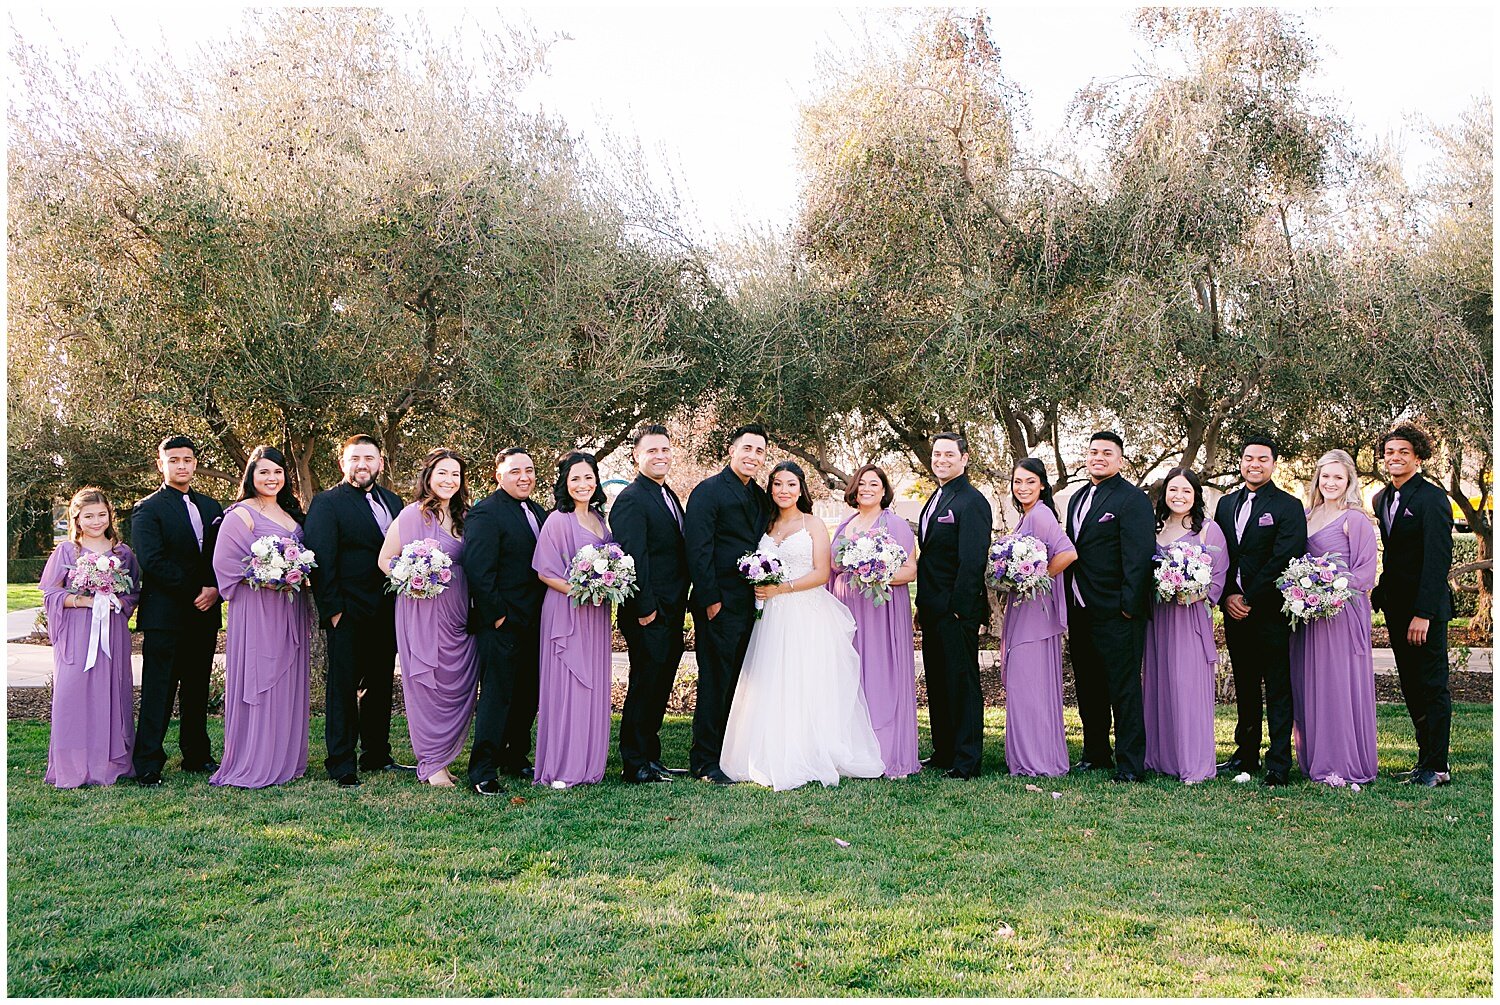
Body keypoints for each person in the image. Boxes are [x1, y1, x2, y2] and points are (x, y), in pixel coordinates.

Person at [722, 461, 885, 789]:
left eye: (791, 484)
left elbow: (821, 573)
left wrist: (780, 588)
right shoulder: (764, 525)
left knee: (804, 681)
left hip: (805, 612)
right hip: (771, 614)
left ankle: (809, 751)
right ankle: (772, 751)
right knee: (772, 680)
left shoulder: (813, 524)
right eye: (778, 484)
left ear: (801, 489)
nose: (784, 490)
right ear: (770, 488)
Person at [304, 434, 410, 789]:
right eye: (355, 458)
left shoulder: (393, 501)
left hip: (387, 610)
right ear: (342, 463)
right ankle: (341, 761)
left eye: (369, 458)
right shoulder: (327, 503)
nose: (362, 465)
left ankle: (376, 754)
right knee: (343, 688)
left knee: (379, 686)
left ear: (380, 462)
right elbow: (321, 560)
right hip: (347, 611)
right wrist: (333, 611)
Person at [210, 446, 313, 789]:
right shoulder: (241, 514)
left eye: (277, 472)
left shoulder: (291, 514)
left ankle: (284, 758)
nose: (271, 478)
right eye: (264, 472)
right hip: (256, 608)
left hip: (290, 606)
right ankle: (254, 759)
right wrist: (268, 576)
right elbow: (225, 564)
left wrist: (295, 572)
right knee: (260, 674)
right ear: (251, 476)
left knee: (287, 676)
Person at [377, 448, 479, 788]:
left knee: (457, 683)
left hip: (458, 610)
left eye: (455, 474)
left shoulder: (467, 516)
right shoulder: (412, 515)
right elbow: (385, 559)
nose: (449, 480)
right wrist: (413, 576)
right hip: (422, 609)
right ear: (429, 477)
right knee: (428, 684)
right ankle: (432, 763)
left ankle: (444, 759)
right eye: (442, 473)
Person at [1212, 437, 1308, 787]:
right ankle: (1246, 753)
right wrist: (1227, 596)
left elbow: (1285, 556)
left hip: (1270, 611)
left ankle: (1279, 762)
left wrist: (1249, 596)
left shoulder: (1288, 506)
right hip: (1234, 611)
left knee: (1278, 687)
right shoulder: (1226, 504)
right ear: (1241, 462)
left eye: (1262, 459)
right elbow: (1219, 554)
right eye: (1249, 458)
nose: (1255, 464)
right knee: (1245, 684)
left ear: (1273, 464)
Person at [1062, 431, 1155, 783]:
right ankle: (1096, 753)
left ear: (1120, 459)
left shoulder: (1132, 499)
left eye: (1106, 452)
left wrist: (1128, 607)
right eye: (1093, 452)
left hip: (1117, 612)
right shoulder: (1077, 498)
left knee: (1123, 689)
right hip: (1080, 608)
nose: (1098, 457)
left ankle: (1130, 765)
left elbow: (1139, 556)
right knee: (1089, 685)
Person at [131, 435, 224, 786]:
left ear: (195, 463)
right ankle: (148, 762)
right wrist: (195, 591)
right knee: (159, 690)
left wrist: (216, 590)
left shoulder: (212, 507)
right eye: (174, 460)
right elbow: (152, 560)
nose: (181, 465)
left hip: (205, 613)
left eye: (187, 459)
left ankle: (196, 755)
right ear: (162, 464)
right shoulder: (147, 508)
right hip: (165, 615)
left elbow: (222, 555)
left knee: (197, 689)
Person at [683, 424, 771, 784]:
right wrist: (710, 600)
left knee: (738, 682)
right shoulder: (708, 492)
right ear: (731, 451)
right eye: (747, 448)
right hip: (718, 603)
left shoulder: (760, 496)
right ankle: (704, 761)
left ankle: (729, 753)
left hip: (750, 603)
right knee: (715, 682)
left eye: (760, 451)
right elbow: (697, 549)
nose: (753, 456)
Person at [1371, 424, 1455, 787]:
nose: (1395, 457)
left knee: (1432, 686)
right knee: (1411, 685)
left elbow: (1437, 559)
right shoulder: (1381, 499)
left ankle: (1438, 766)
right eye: (1390, 452)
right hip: (1396, 609)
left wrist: (1424, 613)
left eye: (1403, 452)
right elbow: (1396, 556)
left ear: (1418, 457)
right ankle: (1424, 761)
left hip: (1426, 612)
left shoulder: (1432, 499)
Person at [41, 488, 141, 788]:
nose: (96, 521)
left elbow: (134, 591)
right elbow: (51, 593)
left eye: (101, 515)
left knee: (109, 691)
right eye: (89, 516)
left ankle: (108, 763)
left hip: (112, 631)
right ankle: (73, 765)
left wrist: (117, 601)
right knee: (73, 693)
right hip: (77, 631)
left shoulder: (122, 553)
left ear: (110, 515)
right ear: (77, 518)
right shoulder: (66, 552)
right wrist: (83, 601)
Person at [608, 424, 691, 784]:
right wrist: (645, 608)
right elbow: (634, 557)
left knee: (659, 684)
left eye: (665, 450)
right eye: (652, 451)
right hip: (648, 611)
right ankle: (634, 762)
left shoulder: (666, 494)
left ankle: (650, 757)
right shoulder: (631, 499)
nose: (660, 456)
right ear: (636, 456)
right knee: (645, 684)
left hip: (671, 608)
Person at [1290, 449, 1379, 786]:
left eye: (1338, 477)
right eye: (1325, 476)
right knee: (1311, 683)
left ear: (1349, 481)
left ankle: (1343, 762)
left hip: (1342, 613)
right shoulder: (1306, 516)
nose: (1330, 482)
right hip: (1309, 615)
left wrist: (1330, 589)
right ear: (1317, 479)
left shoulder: (1354, 519)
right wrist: (1303, 590)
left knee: (1338, 684)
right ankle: (1315, 757)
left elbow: (1365, 573)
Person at [464, 448, 549, 794]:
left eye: (529, 470)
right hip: (503, 623)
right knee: (497, 696)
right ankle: (483, 770)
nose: (524, 477)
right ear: (498, 475)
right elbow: (478, 570)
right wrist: (498, 616)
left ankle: (515, 756)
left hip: (537, 621)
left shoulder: (538, 511)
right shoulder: (485, 512)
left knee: (527, 694)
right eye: (515, 471)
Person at [829, 464, 921, 779]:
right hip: (848, 611)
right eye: (862, 483)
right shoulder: (845, 525)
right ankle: (853, 752)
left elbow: (909, 570)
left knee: (882, 675)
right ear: (854, 490)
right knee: (851, 676)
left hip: (881, 612)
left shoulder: (895, 524)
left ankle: (886, 751)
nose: (867, 488)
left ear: (884, 491)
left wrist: (875, 573)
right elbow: (832, 567)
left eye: (874, 484)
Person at [533, 452, 617, 788]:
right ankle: (562, 766)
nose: (583, 484)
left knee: (591, 683)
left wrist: (608, 586)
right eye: (575, 478)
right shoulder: (558, 519)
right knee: (568, 684)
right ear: (565, 483)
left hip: (595, 613)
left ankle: (588, 764)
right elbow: (545, 571)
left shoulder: (599, 518)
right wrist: (583, 591)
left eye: (588, 477)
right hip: (567, 610)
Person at [1141, 468, 1228, 784]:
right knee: (1159, 683)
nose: (1179, 496)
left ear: (1196, 496)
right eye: (1173, 490)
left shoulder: (1208, 531)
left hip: (1189, 617)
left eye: (1186, 491)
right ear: (1164, 494)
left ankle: (1194, 764)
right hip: (1158, 617)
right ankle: (1162, 759)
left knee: (1187, 686)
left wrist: (1194, 593)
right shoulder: (1155, 528)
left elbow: (1219, 576)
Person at [915, 432, 993, 780]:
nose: (941, 460)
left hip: (956, 610)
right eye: (937, 454)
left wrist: (961, 609)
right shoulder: (937, 496)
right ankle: (944, 749)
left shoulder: (972, 501)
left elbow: (972, 560)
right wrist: (922, 605)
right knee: (938, 681)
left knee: (961, 683)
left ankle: (967, 759)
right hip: (932, 608)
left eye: (949, 454)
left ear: (964, 458)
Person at [996, 458, 1077, 778]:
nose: (1023, 487)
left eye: (1030, 481)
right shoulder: (1027, 516)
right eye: (1018, 481)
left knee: (1030, 684)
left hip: (1036, 612)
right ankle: (1028, 757)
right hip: (1024, 608)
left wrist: (1036, 578)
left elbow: (1068, 553)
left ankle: (1038, 760)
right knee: (1025, 685)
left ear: (1042, 485)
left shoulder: (1041, 514)